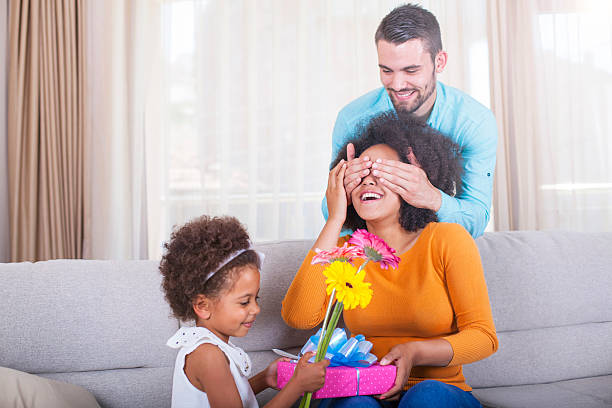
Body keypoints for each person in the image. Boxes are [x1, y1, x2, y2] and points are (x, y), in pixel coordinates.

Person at [284, 113, 498, 407]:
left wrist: (414, 353)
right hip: (367, 391)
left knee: (425, 397)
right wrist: (335, 217)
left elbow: (484, 337)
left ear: (413, 180)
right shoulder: (347, 251)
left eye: (384, 172)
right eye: (359, 173)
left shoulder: (447, 240)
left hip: (438, 392)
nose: (368, 180)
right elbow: (299, 317)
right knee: (354, 404)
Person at [323, 3, 497, 238]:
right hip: (371, 253)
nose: (397, 84)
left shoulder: (474, 123)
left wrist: (431, 197)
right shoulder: (352, 119)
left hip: (437, 247)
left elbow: (476, 219)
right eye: (387, 71)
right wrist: (343, 194)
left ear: (440, 62)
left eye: (411, 70)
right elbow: (331, 214)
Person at [160, 215, 330, 408]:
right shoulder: (208, 356)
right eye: (244, 302)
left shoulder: (210, 348)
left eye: (255, 299)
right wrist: (297, 385)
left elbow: (228, 396)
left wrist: (264, 379)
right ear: (202, 306)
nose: (256, 309)